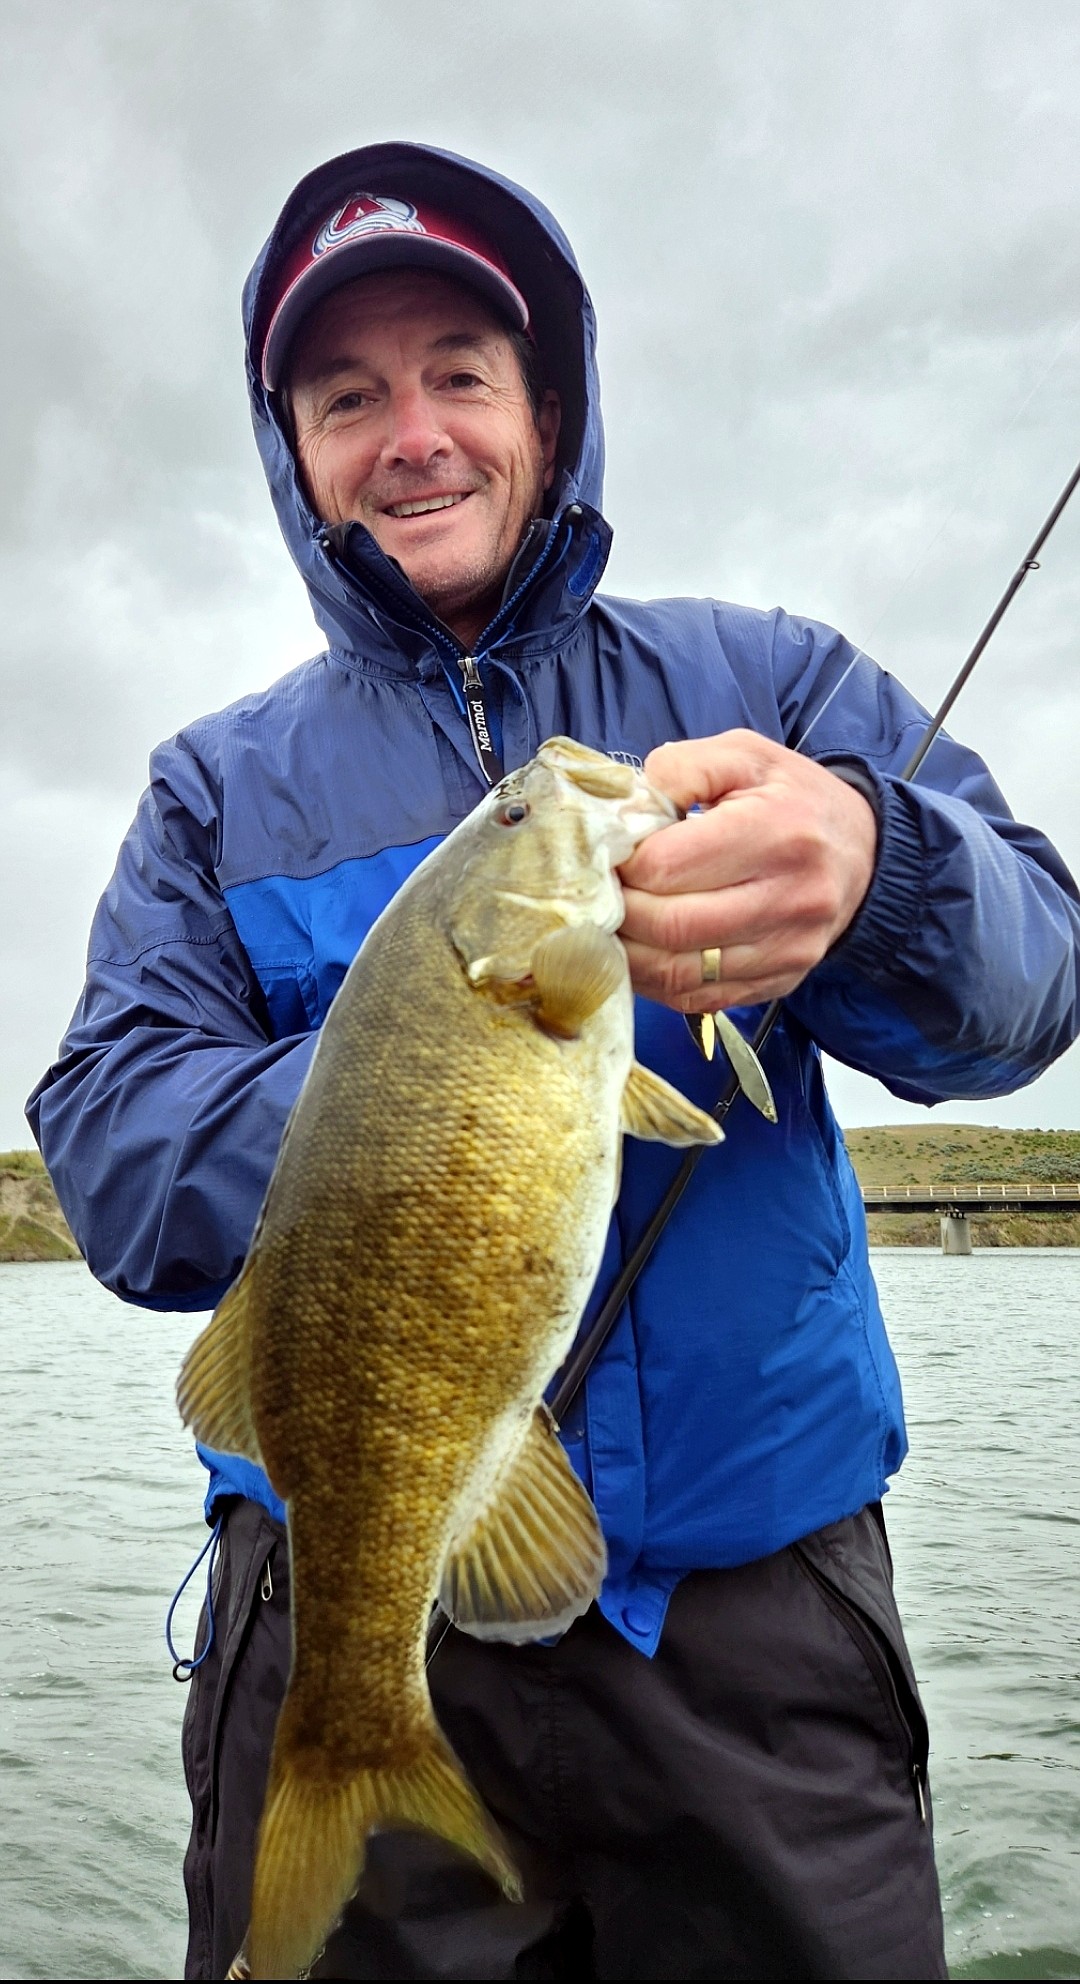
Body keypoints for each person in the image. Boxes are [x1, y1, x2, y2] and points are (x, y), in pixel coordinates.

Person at [28, 142, 1080, 1982]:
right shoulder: (209, 789)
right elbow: (112, 1158)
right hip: (348, 1589)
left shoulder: (778, 682)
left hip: (760, 1637)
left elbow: (1032, 986)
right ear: (296, 452)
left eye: (459, 370)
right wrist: (419, 1068)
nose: (411, 430)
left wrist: (877, 860)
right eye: (348, 394)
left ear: (550, 409)